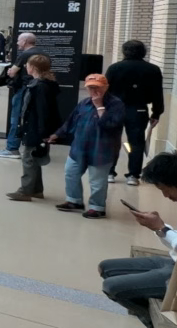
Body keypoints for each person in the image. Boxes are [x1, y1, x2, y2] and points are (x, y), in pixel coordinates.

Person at [99, 153, 177, 328]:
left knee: (112, 287)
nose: (166, 196)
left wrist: (163, 228)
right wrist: (159, 228)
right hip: (176, 263)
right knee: (106, 268)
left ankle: (157, 327)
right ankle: (151, 308)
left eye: (166, 189)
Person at [50, 74, 125, 219]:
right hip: (79, 147)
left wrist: (99, 106)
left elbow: (110, 125)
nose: (94, 91)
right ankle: (74, 200)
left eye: (97, 87)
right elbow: (71, 121)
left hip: (101, 149)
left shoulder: (117, 105)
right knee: (70, 173)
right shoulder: (84, 103)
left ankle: (97, 207)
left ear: (106, 87)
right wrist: (57, 134)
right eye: (90, 88)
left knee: (97, 181)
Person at [104, 40, 164, 185]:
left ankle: (109, 172)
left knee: (112, 140)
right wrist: (156, 113)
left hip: (115, 109)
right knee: (136, 143)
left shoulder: (114, 68)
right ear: (143, 52)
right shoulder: (153, 69)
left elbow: (105, 90)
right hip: (139, 109)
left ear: (124, 51)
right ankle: (133, 176)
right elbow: (157, 93)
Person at [7, 55, 61, 202]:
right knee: (34, 158)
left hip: (35, 129)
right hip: (33, 127)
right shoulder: (40, 84)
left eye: (28, 65)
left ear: (34, 68)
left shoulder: (40, 87)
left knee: (28, 159)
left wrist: (43, 132)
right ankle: (36, 189)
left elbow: (43, 111)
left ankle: (25, 190)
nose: (26, 67)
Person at [0, 32, 42, 159]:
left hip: (24, 90)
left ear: (25, 41)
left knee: (16, 118)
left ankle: (12, 148)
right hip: (39, 89)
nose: (17, 43)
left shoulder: (25, 54)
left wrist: (12, 73)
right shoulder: (42, 53)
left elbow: (11, 72)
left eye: (19, 40)